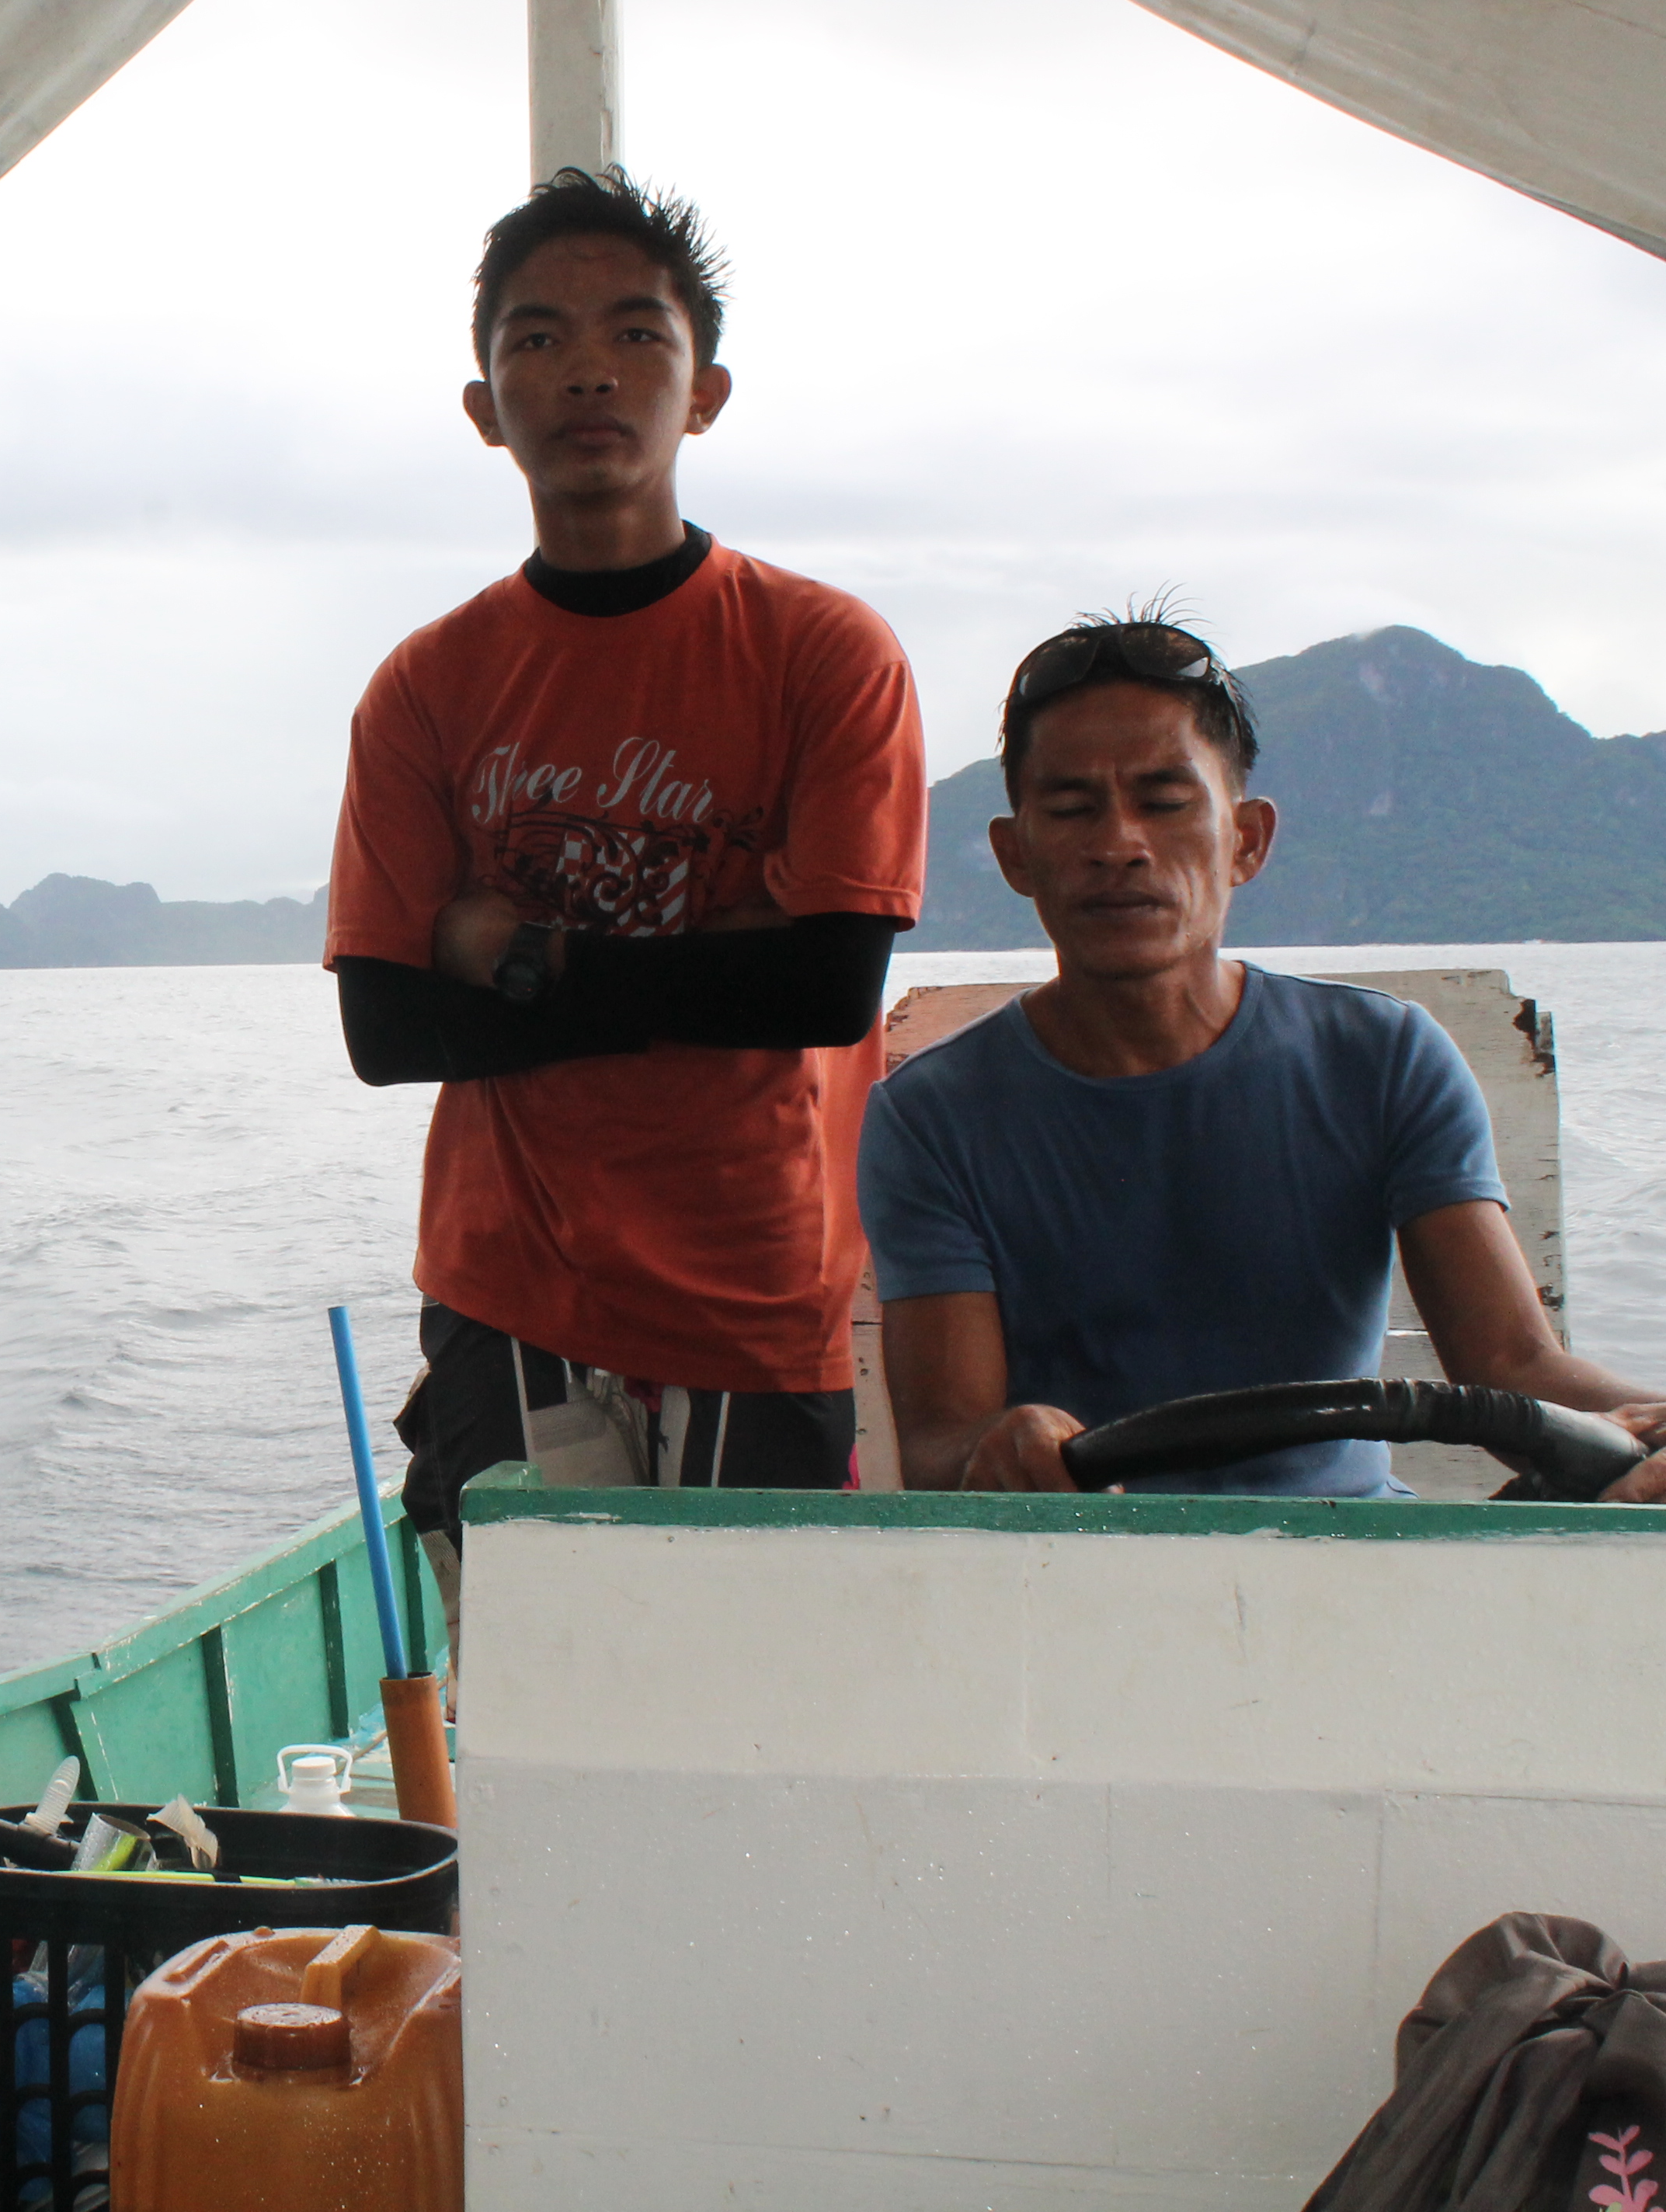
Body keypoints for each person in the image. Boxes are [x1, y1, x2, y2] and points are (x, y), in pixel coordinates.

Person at [326, 169, 927, 1649]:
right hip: (508, 1287)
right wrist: (708, 965)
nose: (586, 371)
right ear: (485, 407)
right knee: (536, 1705)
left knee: (758, 1699)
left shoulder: (823, 653)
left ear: (702, 391)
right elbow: (387, 1028)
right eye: (536, 339)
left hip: (755, 1293)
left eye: (634, 334)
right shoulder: (425, 686)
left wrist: (508, 950)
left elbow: (822, 992)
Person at [858, 610, 1666, 1497]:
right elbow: (939, 1448)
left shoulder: (1386, 1058)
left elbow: (1515, 1365)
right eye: (1072, 809)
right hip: (1080, 1563)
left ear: (1246, 839)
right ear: (1015, 855)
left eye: (1165, 803)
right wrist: (1000, 1447)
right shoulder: (930, 1115)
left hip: (1359, 1556)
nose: (1119, 845)